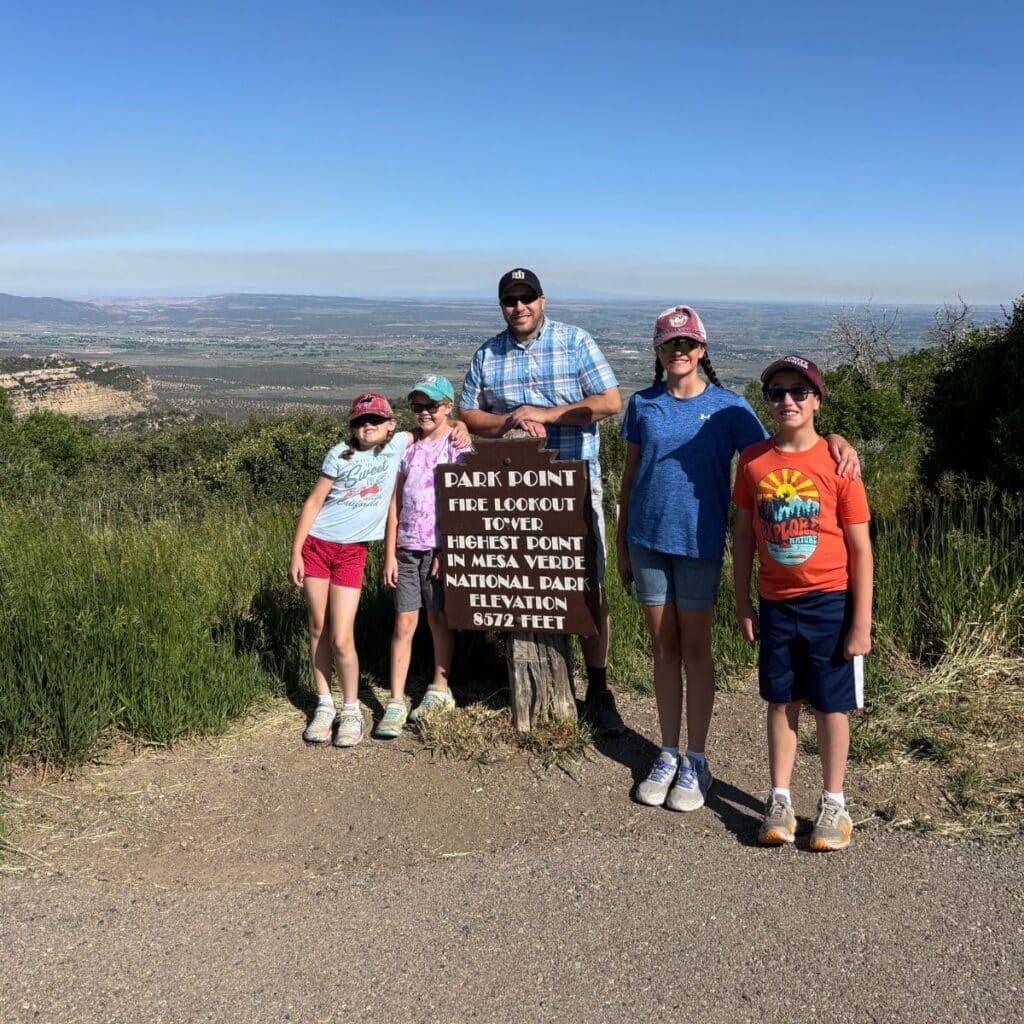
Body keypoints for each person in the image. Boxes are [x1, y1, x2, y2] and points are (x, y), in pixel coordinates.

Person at [617, 307, 859, 812]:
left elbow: (783, 448)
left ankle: (697, 760)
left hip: (701, 544)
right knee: (663, 648)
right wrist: (621, 541)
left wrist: (835, 439)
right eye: (669, 345)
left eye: (687, 345)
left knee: (697, 651)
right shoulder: (642, 404)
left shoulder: (730, 408)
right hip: (647, 541)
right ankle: (667, 752)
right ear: (658, 353)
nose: (678, 353)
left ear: (702, 350)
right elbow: (630, 475)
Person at [458, 268, 624, 734]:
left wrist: (546, 416)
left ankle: (598, 686)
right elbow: (468, 412)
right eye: (510, 300)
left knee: (587, 583)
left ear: (542, 300)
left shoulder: (575, 342)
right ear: (502, 306)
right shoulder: (488, 354)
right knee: (523, 584)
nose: (519, 306)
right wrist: (510, 419)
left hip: (573, 484)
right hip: (512, 493)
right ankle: (533, 687)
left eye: (527, 297)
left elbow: (610, 401)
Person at [732, 355, 872, 851]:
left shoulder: (839, 463)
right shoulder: (752, 461)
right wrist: (743, 601)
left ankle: (834, 802)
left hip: (830, 602)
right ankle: (780, 798)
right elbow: (745, 536)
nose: (787, 401)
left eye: (798, 392)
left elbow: (860, 547)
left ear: (816, 399)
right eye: (776, 393)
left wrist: (862, 621)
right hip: (775, 602)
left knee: (833, 704)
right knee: (780, 698)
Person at [288, 392, 467, 747]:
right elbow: (314, 502)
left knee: (341, 635)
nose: (366, 426)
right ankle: (325, 704)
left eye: (374, 420)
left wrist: (461, 424)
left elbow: (435, 427)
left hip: (352, 552)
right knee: (318, 626)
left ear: (390, 424)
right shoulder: (339, 454)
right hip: (317, 546)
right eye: (359, 421)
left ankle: (351, 708)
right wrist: (296, 551)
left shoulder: (398, 443)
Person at [379, 375, 466, 738]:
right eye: (418, 406)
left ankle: (439, 688)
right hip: (406, 547)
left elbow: (462, 502)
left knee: (439, 618)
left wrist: (449, 548)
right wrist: (389, 553)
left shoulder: (457, 445)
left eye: (432, 406)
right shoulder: (407, 448)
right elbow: (394, 503)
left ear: (447, 406)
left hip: (437, 548)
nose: (425, 412)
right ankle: (397, 700)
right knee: (403, 623)